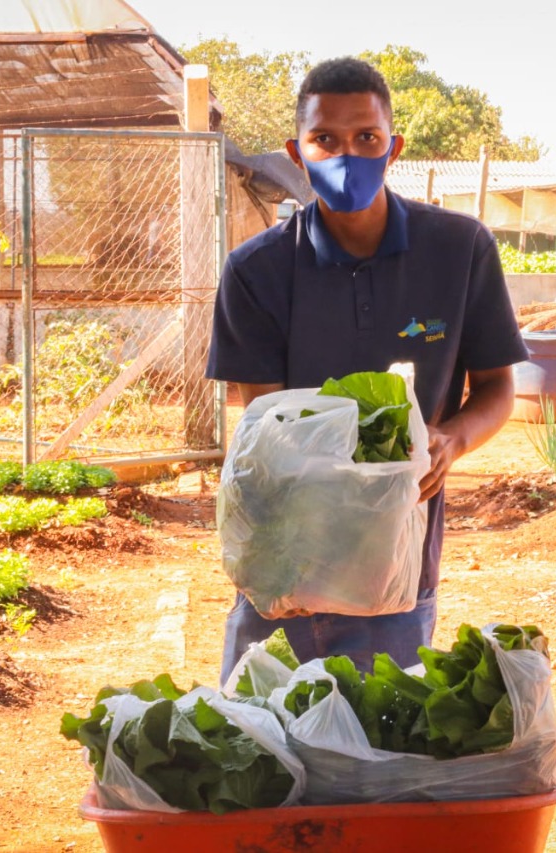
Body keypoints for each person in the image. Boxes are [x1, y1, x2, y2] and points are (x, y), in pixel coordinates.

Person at [207, 57, 527, 684]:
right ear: (295, 153)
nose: (346, 154)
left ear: (393, 147)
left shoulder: (460, 250)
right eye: (324, 139)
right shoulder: (256, 272)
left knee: (379, 752)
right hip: (285, 565)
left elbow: (497, 389)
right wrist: (286, 563)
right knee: (262, 746)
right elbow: (267, 427)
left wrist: (452, 439)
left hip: (396, 567)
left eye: (366, 139)